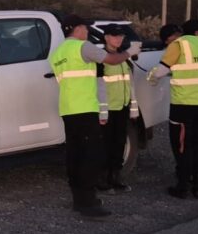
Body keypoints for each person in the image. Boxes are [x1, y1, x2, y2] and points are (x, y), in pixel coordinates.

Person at [50, 15, 141, 218]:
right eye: (85, 27)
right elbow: (111, 59)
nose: (88, 31)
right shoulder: (83, 47)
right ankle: (88, 203)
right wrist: (129, 52)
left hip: (68, 108)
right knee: (90, 156)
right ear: (77, 28)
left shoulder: (57, 53)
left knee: (74, 155)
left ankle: (79, 199)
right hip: (86, 109)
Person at [147, 19, 198, 199]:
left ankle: (183, 186)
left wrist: (151, 78)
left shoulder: (180, 44)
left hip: (183, 104)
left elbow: (161, 71)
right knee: (197, 144)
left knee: (182, 145)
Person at [97, 24, 138, 194]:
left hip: (122, 107)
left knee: (119, 143)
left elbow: (130, 84)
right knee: (105, 145)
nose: (118, 39)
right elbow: (98, 86)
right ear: (106, 37)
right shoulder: (102, 58)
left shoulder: (124, 58)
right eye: (114, 36)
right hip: (108, 109)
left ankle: (116, 178)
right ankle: (103, 181)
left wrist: (133, 107)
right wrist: (102, 110)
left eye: (120, 36)